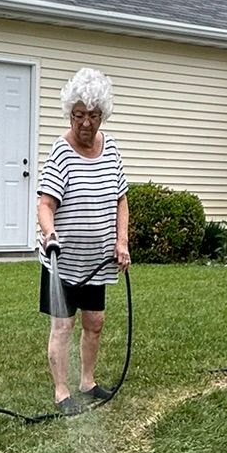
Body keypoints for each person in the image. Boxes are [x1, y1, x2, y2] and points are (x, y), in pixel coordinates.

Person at [37, 67, 131, 413]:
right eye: (79, 116)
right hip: (63, 260)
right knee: (63, 325)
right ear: (70, 114)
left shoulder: (112, 150)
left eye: (93, 116)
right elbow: (45, 204)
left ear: (102, 115)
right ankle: (62, 392)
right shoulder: (61, 152)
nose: (86, 124)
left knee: (95, 323)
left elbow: (121, 199)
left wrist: (122, 242)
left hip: (98, 260)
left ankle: (87, 382)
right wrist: (51, 235)